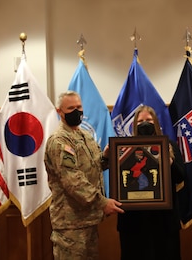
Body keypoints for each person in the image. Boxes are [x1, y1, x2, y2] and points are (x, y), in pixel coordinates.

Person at [44, 91, 124, 260]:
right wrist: (102, 202)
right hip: (70, 225)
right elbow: (73, 180)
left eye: (79, 107)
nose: (76, 111)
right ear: (60, 112)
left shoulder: (84, 136)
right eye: (71, 108)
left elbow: (91, 168)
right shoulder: (60, 141)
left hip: (88, 219)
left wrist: (106, 157)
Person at [117, 105, 186, 260]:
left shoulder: (170, 146)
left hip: (164, 222)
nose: (145, 123)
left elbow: (181, 177)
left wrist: (168, 160)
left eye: (148, 120)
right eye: (140, 121)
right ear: (134, 125)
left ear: (156, 122)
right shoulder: (123, 148)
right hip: (134, 223)